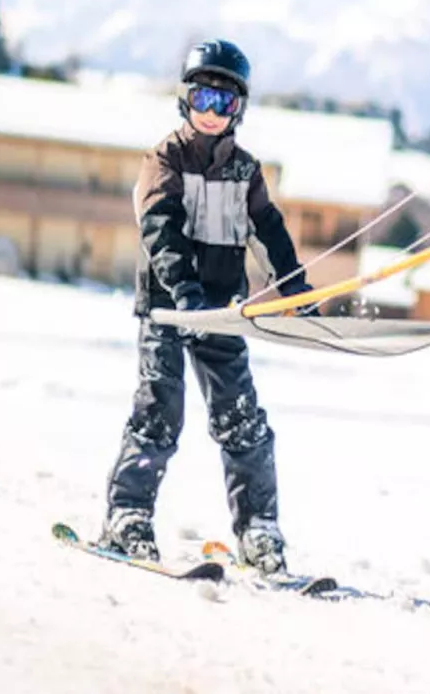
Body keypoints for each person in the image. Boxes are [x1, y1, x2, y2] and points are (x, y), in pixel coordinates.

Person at [97, 39, 316, 573]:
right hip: (170, 311)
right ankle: (128, 515)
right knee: (159, 411)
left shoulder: (245, 171)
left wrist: (295, 288)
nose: (212, 113)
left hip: (220, 313)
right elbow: (160, 228)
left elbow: (269, 232)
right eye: (202, 99)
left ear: (238, 109)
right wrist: (183, 289)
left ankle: (259, 530)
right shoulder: (164, 160)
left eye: (224, 102)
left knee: (241, 419)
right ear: (185, 100)